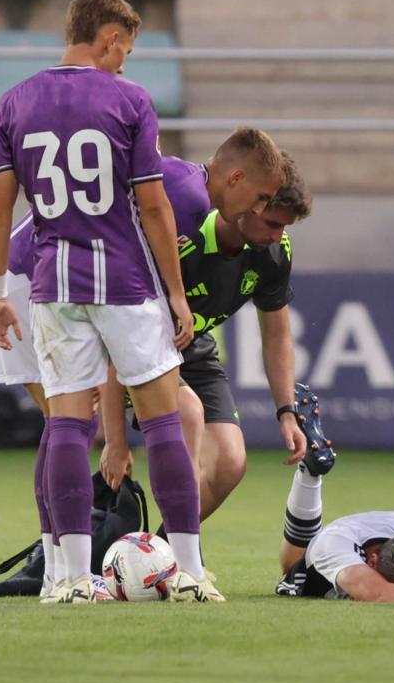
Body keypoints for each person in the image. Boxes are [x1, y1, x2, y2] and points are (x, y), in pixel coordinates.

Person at [0, 0, 212, 604]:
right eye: (125, 50)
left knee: (66, 426)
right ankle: (188, 570)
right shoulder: (130, 100)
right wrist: (176, 293)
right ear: (111, 38)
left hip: (52, 283)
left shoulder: (12, 102)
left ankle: (70, 579)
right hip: (125, 281)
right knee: (164, 420)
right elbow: (155, 203)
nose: (125, 62)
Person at [0, 129, 285, 597]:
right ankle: (71, 571)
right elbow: (121, 283)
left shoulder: (185, 189)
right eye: (260, 197)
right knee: (72, 422)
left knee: (67, 423)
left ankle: (60, 573)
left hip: (42, 274)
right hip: (39, 277)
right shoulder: (184, 199)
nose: (256, 209)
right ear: (236, 176)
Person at [102, 153, 327, 550]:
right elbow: (119, 316)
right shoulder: (184, 235)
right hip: (141, 345)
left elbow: (276, 337)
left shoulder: (275, 253)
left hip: (195, 350)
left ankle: (157, 554)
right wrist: (114, 437)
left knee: (230, 462)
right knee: (187, 424)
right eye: (273, 222)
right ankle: (172, 561)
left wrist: (287, 411)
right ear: (250, 203)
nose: (278, 235)